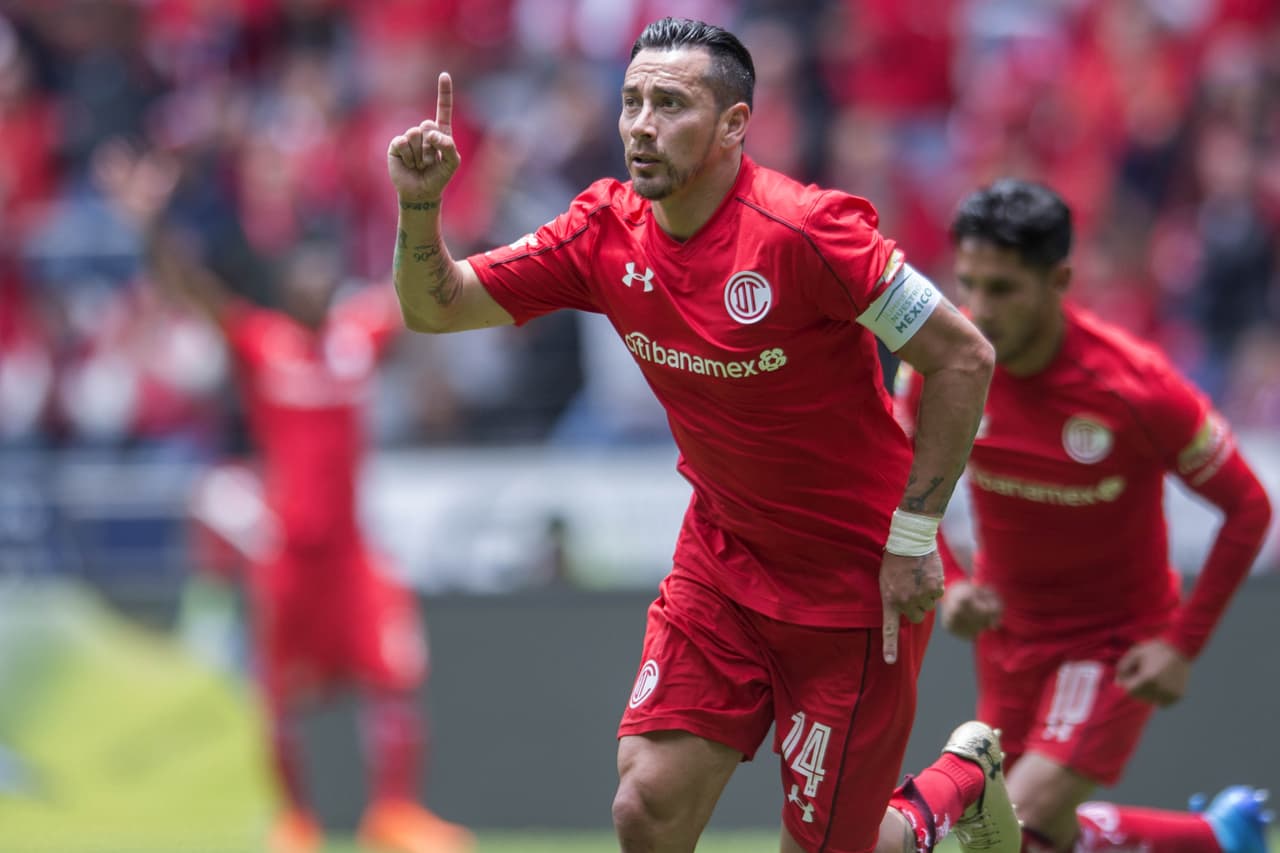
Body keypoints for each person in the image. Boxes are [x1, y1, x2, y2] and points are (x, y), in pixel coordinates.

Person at [387, 17, 1012, 853]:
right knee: (645, 807)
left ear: (733, 126)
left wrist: (914, 533)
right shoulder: (603, 232)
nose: (641, 124)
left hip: (854, 586)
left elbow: (963, 357)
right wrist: (421, 206)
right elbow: (437, 306)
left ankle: (954, 789)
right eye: (631, 101)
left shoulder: (809, 232)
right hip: (722, 566)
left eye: (670, 104)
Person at [95, 142, 474, 853]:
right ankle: (295, 819)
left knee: (395, 672)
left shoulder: (357, 337)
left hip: (353, 550)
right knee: (278, 694)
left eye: (322, 267)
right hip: (289, 553)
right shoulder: (262, 344)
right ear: (281, 283)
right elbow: (190, 290)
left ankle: (393, 813)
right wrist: (148, 225)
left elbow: (430, 286)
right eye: (301, 268)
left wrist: (440, 202)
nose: (315, 277)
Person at [896, 179, 1274, 853]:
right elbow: (903, 471)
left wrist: (1182, 643)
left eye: (1004, 289)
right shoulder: (943, 367)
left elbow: (1248, 507)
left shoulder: (1136, 387)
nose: (979, 310)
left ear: (1059, 278)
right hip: (1011, 640)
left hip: (1113, 642)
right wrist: (950, 577)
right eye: (970, 283)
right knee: (1016, 837)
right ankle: (1217, 838)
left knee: (1019, 814)